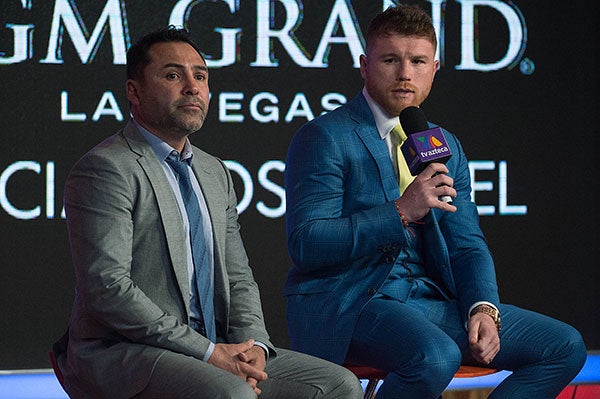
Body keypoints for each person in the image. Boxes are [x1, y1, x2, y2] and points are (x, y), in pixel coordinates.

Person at [283, 5, 586, 399]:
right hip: (350, 302)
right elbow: (307, 243)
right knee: (435, 356)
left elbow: (467, 242)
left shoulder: (444, 145)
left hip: (428, 301)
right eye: (391, 59)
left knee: (563, 347)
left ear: (435, 68)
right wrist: (399, 211)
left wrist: (482, 308)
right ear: (364, 66)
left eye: (418, 61)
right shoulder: (325, 136)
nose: (405, 73)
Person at [52, 26, 363, 399]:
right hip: (125, 352)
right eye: (172, 75)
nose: (192, 87)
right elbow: (108, 290)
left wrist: (256, 349)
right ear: (133, 92)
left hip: (215, 346)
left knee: (338, 385)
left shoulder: (215, 172)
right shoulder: (107, 168)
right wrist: (208, 353)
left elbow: (238, 277)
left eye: (200, 76)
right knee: (233, 394)